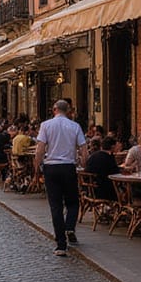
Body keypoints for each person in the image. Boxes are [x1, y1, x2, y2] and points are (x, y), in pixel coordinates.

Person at [33, 100, 86, 257]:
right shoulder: (75, 126)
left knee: (55, 206)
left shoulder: (46, 125)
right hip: (68, 167)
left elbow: (40, 149)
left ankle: (61, 245)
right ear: (68, 110)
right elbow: (84, 149)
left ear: (54, 109)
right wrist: (84, 165)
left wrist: (37, 167)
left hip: (51, 167)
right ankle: (69, 226)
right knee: (73, 202)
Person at [84, 136, 120, 201]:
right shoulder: (109, 158)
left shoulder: (92, 156)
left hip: (90, 190)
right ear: (112, 147)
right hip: (104, 191)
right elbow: (116, 174)